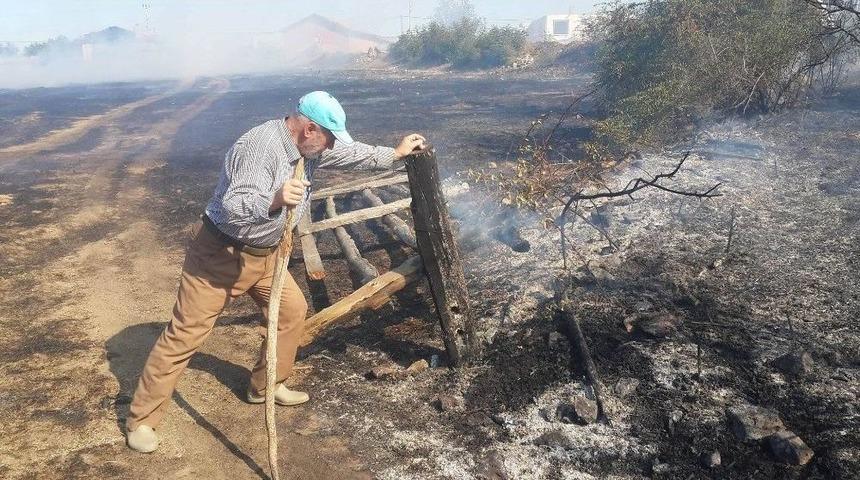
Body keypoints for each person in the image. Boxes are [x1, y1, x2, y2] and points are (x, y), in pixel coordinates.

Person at [125, 91, 426, 453]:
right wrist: (275, 199)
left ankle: (265, 385)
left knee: (291, 313)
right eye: (328, 138)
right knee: (185, 335)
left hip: (268, 256)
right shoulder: (257, 146)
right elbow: (234, 203)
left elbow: (349, 152)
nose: (330, 147)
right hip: (220, 256)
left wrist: (393, 153)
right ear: (309, 128)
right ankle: (141, 419)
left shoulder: (310, 146)